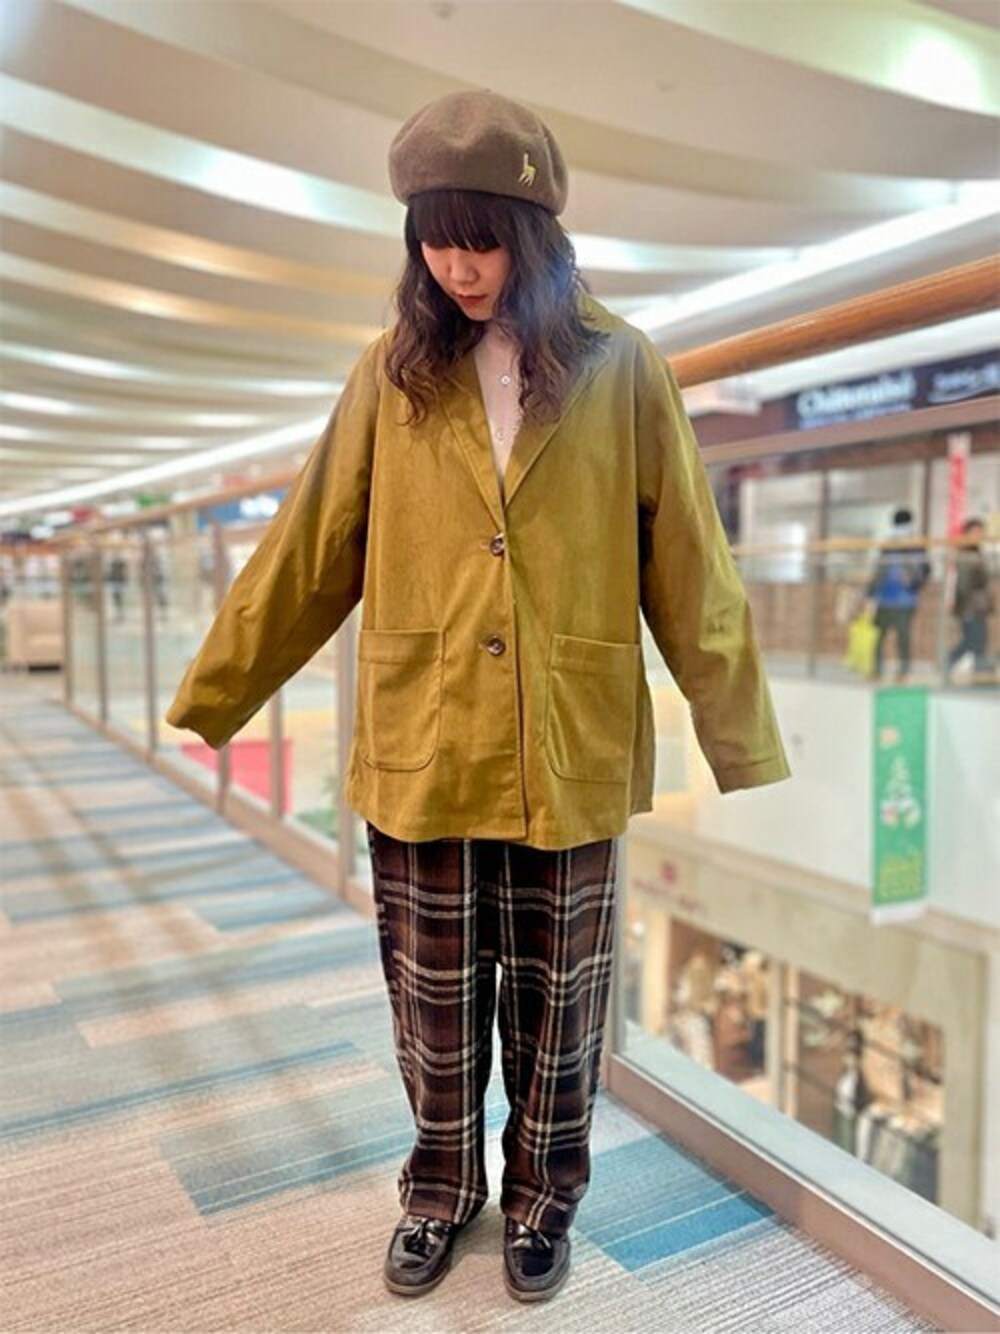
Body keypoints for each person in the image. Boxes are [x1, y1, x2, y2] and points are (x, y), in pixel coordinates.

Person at [165, 89, 790, 1303]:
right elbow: (311, 544)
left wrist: (739, 733)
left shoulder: (620, 365)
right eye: (435, 242)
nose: (457, 267)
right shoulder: (391, 373)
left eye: (481, 240)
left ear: (534, 233)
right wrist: (218, 691)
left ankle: (544, 1199)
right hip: (428, 735)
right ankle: (439, 1189)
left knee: (561, 1009)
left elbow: (689, 562)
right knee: (434, 1002)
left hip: (566, 737)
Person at [868, 506, 931, 683]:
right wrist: (871, 591)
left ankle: (903, 671)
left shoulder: (916, 545)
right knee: (879, 635)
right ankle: (877, 669)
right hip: (885, 597)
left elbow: (925, 571)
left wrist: (912, 583)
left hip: (905, 599)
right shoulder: (888, 545)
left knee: (902, 636)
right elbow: (879, 569)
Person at [946, 517, 994, 681]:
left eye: (981, 532)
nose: (980, 535)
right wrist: (962, 607)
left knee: (979, 640)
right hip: (969, 606)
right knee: (973, 640)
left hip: (977, 605)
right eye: (976, 532)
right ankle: (948, 662)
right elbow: (963, 584)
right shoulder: (966, 553)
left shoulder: (977, 551)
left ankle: (981, 672)